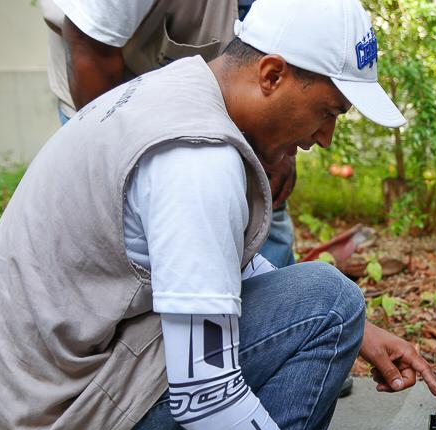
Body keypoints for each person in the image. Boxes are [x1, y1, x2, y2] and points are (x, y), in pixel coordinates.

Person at [0, 0, 436, 430]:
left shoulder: (176, 89)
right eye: (327, 112)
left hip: (28, 405)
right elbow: (206, 394)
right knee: (331, 303)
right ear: (272, 74)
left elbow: (208, 267)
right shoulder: (197, 161)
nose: (324, 138)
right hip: (54, 425)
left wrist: (361, 334)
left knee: (328, 308)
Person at [38, 0, 295, 270]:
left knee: (262, 206)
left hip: (218, 83)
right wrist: (127, 172)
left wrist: (281, 142)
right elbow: (89, 49)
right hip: (107, 90)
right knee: (137, 235)